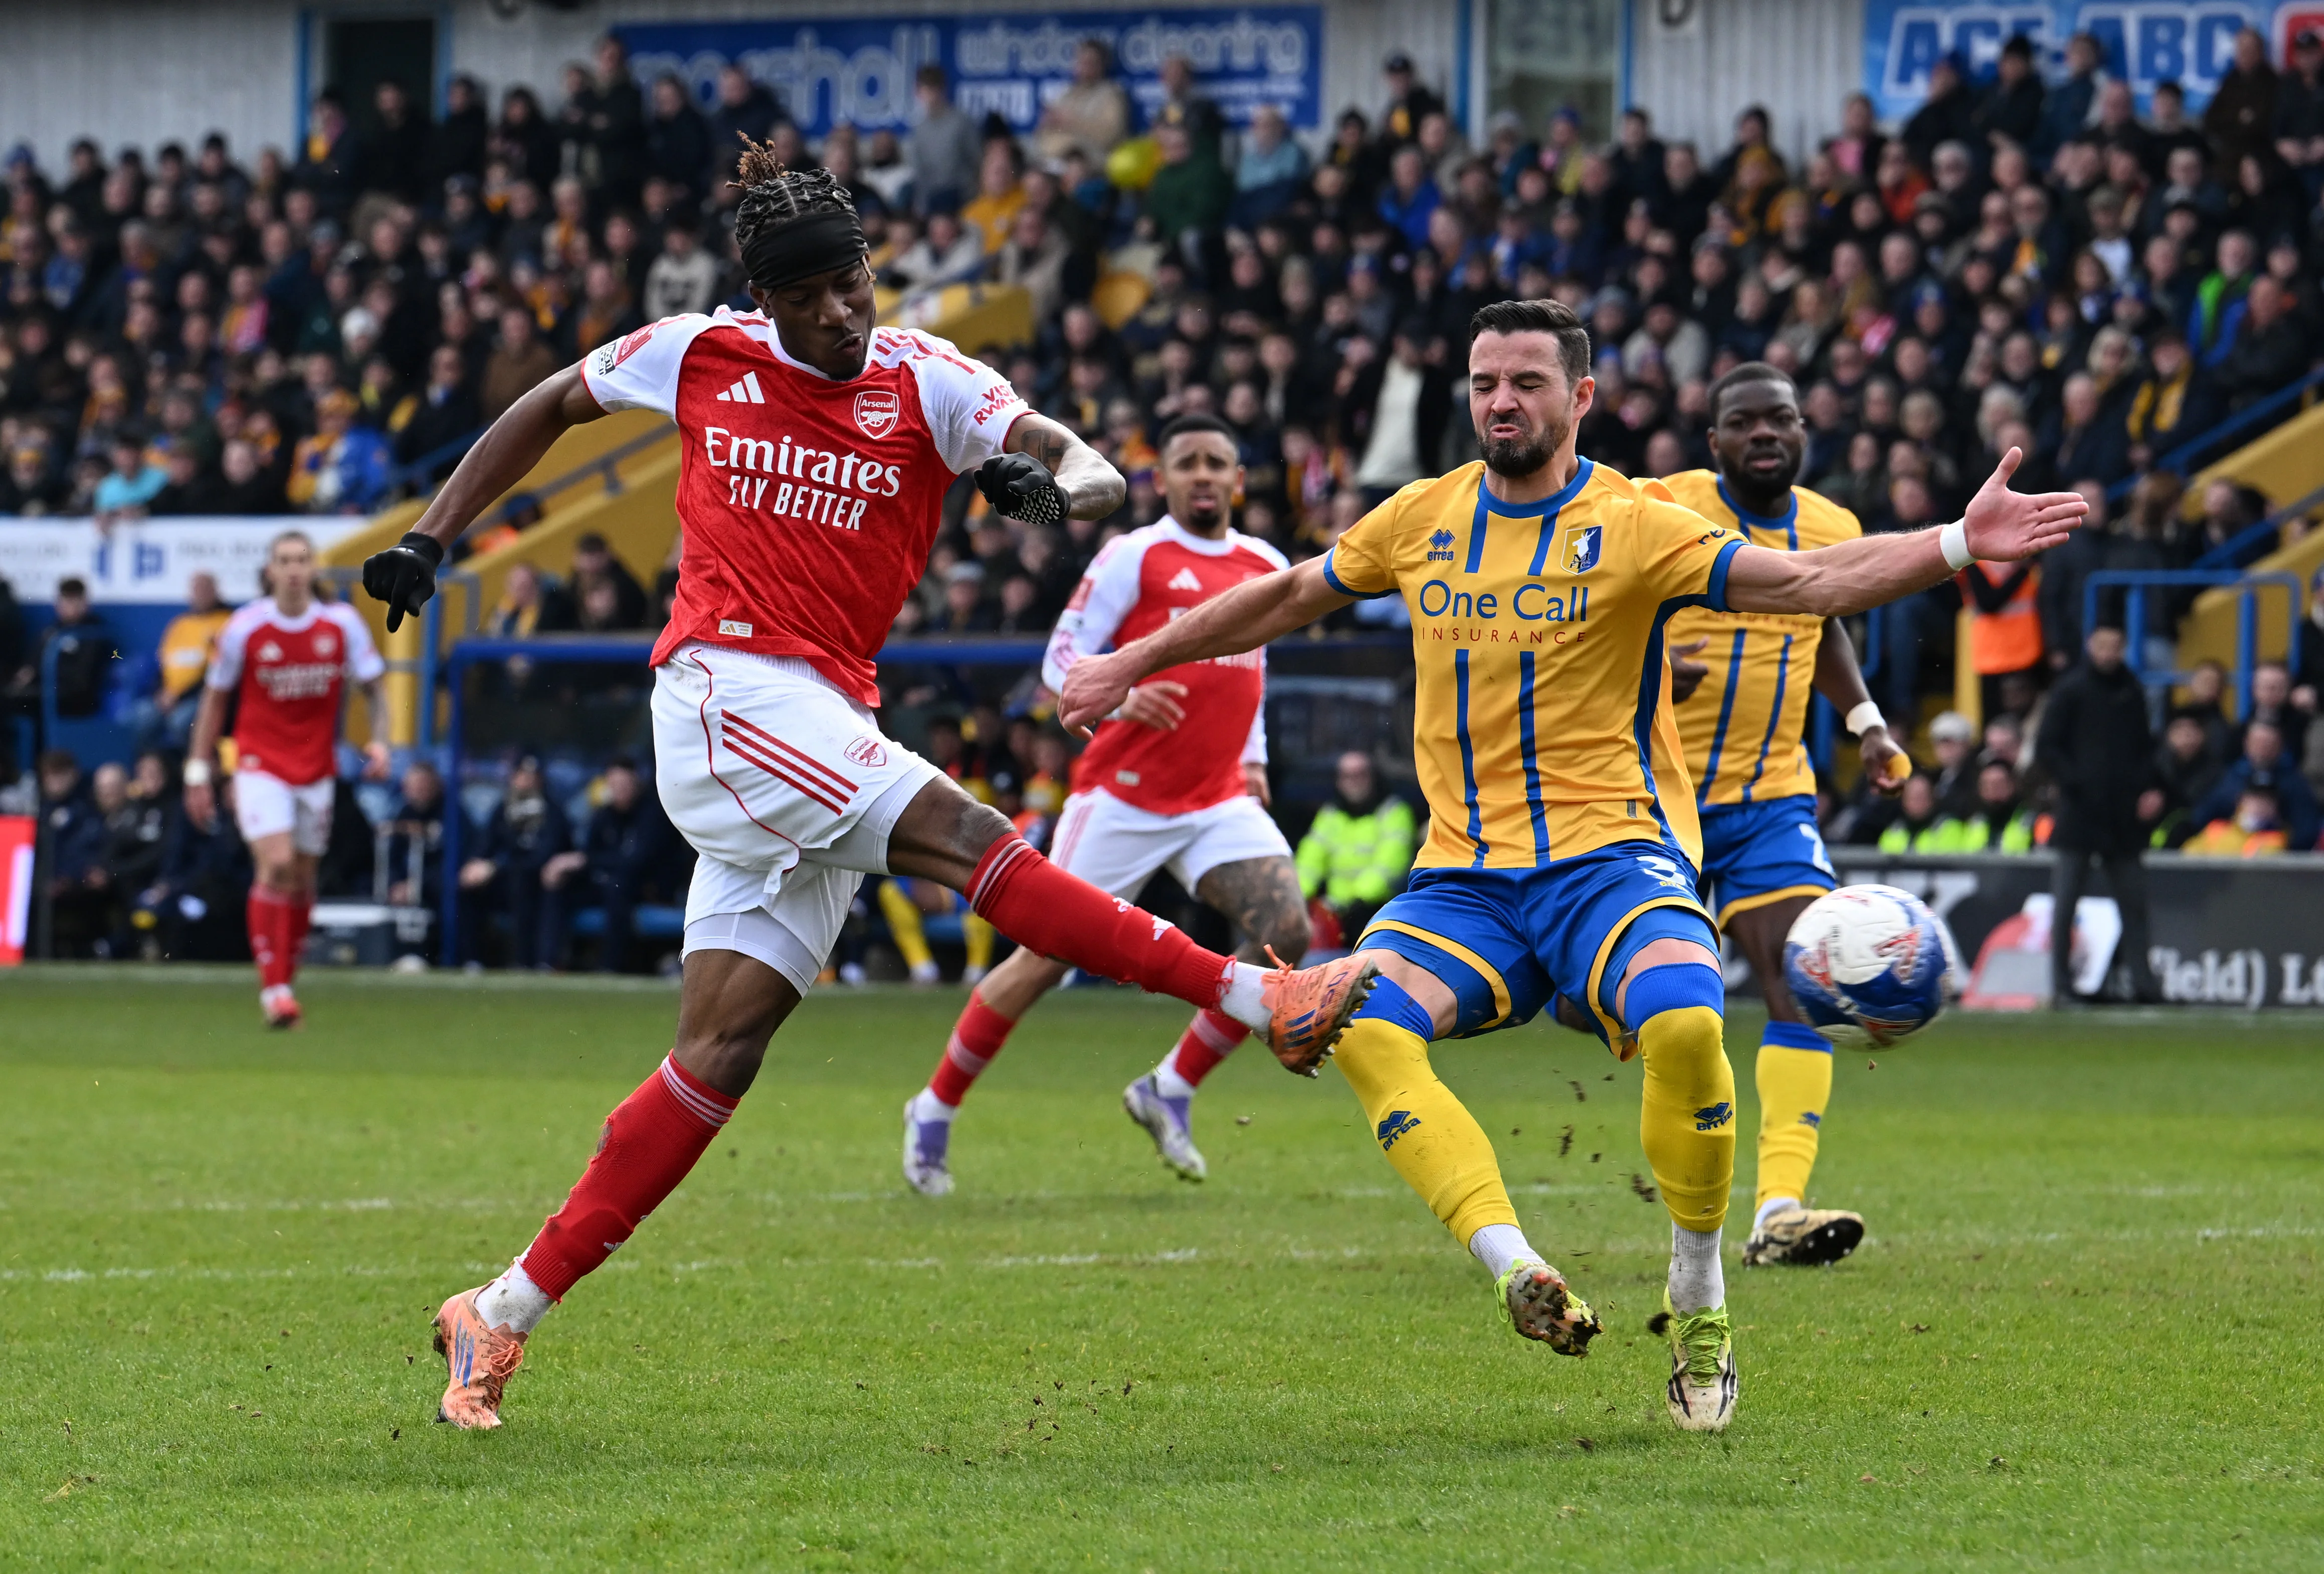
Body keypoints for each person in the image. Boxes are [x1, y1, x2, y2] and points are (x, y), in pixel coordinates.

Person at [359, 144, 1373, 1431]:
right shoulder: (699, 352)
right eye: (821, 293)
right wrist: (428, 535)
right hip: (728, 694)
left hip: (823, 714)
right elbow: (552, 405)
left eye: (861, 282)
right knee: (971, 832)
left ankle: (493, 1316)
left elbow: (1095, 471)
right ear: (766, 303)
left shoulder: (928, 377)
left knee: (719, 1051)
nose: (849, 309)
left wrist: (1041, 487)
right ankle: (1260, 992)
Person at [1059, 297, 2085, 1434]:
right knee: (1354, 1021)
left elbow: (1807, 588)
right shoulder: (1420, 516)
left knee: (1690, 1029)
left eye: (1528, 382)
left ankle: (1698, 1297)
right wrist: (1131, 661)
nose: (1503, 400)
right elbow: (1292, 594)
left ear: (1580, 398)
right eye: (1486, 380)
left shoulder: (1637, 524)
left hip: (1614, 863)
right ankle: (1514, 1267)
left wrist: (1953, 543)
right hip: (1464, 881)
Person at [902, 414, 1307, 1195]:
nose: (1200, 474)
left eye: (1214, 462)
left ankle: (1172, 1087)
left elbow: (1252, 666)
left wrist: (1252, 759)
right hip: (1120, 796)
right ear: (1162, 480)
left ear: (1237, 480)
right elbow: (1061, 662)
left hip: (1217, 794)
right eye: (1185, 461)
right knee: (1043, 958)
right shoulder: (1134, 554)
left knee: (1287, 929)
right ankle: (934, 1104)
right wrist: (1123, 696)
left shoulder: (1263, 561)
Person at [1658, 363, 1909, 1271]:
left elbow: (1826, 615)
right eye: (1743, 420)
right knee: (1607, 1002)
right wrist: (1654, 661)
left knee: (1801, 975)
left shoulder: (1831, 526)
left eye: (1782, 418)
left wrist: (1869, 727)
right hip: (1654, 794)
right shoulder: (1668, 506)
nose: (1765, 432)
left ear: (1804, 431)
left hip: (1771, 793)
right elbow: (1598, 606)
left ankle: (1778, 1208)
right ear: (1713, 439)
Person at [184, 531, 389, 1028]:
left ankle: (285, 980)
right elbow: (215, 699)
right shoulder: (245, 627)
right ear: (271, 570)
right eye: (285, 561)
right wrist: (198, 768)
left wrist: (382, 740)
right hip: (259, 763)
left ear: (313, 568)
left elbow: (374, 687)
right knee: (275, 864)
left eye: (302, 560)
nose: (294, 569)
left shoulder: (341, 624)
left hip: (315, 767)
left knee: (301, 878)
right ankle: (273, 989)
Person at [2036, 626, 2163, 1005]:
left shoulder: (2132, 690)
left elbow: (2144, 747)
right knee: (2066, 903)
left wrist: (2146, 787)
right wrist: (2075, 783)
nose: (2109, 653)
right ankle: (2061, 985)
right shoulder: (2072, 689)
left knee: (2134, 903)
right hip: (2080, 813)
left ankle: (2145, 985)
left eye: (2116, 646)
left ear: (2124, 648)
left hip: (2122, 815)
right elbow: (2048, 746)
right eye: (2103, 645)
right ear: (2091, 645)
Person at [540, 756, 672, 971]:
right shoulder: (604, 813)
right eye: (614, 785)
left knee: (618, 888)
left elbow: (638, 861)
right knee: (561, 888)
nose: (619, 791)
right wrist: (568, 866)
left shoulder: (652, 814)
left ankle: (610, 967)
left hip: (645, 888)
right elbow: (589, 854)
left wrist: (587, 861)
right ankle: (549, 962)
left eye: (624, 785)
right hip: (606, 882)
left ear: (635, 783)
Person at [1297, 751, 1418, 944]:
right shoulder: (1330, 815)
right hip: (1335, 914)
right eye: (1346, 776)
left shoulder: (1394, 812)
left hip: (1380, 910)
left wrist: (1360, 899)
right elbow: (1309, 861)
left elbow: (1391, 863)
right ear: (1338, 781)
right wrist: (1298, 897)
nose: (1353, 782)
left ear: (1373, 778)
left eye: (1360, 775)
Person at [139, 572, 232, 751]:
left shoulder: (227, 621)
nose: (200, 594)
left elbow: (217, 669)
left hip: (201, 696)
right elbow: (163, 664)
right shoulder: (180, 624)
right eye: (196, 589)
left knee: (181, 722)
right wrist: (161, 693)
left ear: (216, 591)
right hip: (168, 696)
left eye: (205, 589)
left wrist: (179, 697)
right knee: (142, 717)